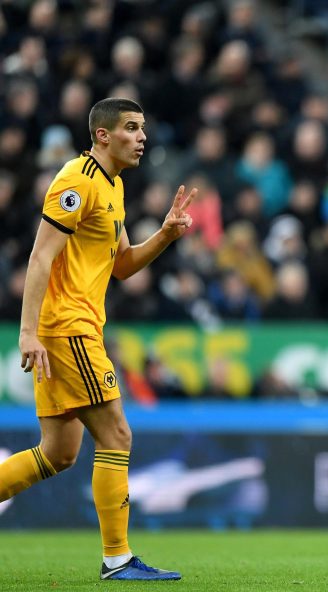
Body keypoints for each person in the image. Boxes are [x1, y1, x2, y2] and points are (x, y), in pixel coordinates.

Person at [0, 98, 195, 581]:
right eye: (132, 128)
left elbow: (123, 266)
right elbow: (40, 257)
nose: (142, 137)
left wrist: (165, 236)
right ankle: (118, 559)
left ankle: (118, 559)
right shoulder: (77, 180)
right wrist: (27, 333)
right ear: (104, 136)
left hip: (73, 327)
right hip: (68, 328)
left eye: (143, 128)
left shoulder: (114, 187)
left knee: (57, 453)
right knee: (117, 434)